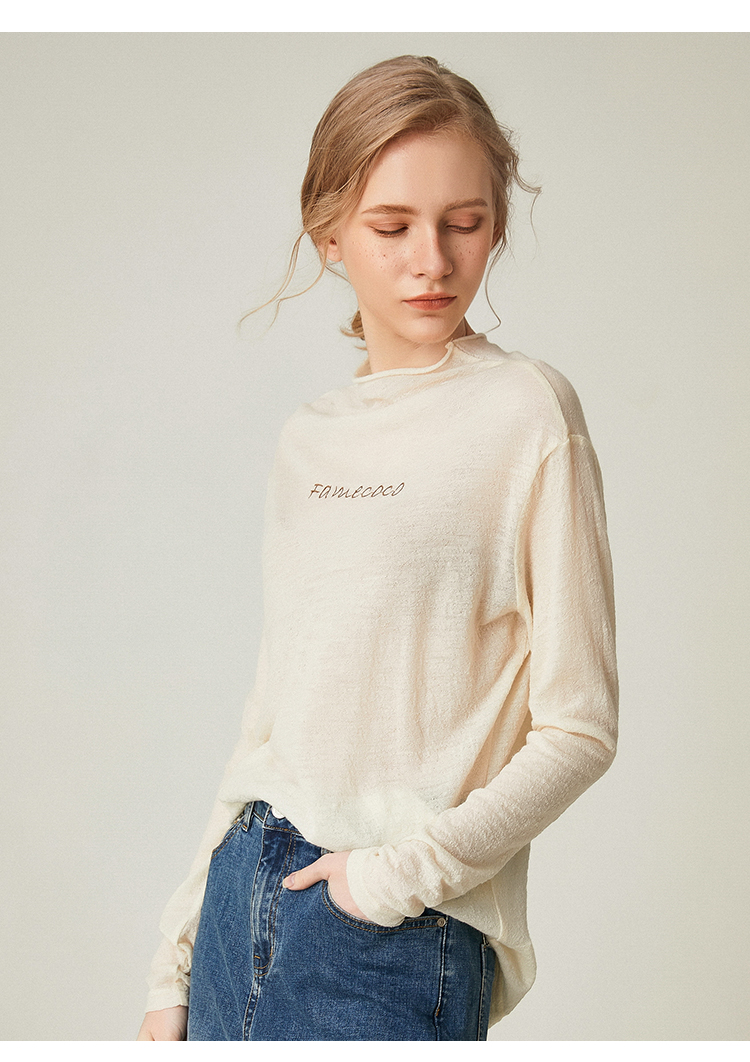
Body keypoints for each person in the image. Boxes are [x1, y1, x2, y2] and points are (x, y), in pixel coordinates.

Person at [137, 54, 618, 1042]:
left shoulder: (529, 414)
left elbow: (580, 729)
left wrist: (398, 879)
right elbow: (274, 714)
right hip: (242, 896)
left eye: (464, 223)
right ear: (330, 236)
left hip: (392, 926)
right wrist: (175, 954)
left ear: (496, 222)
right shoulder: (308, 436)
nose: (431, 261)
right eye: (392, 228)